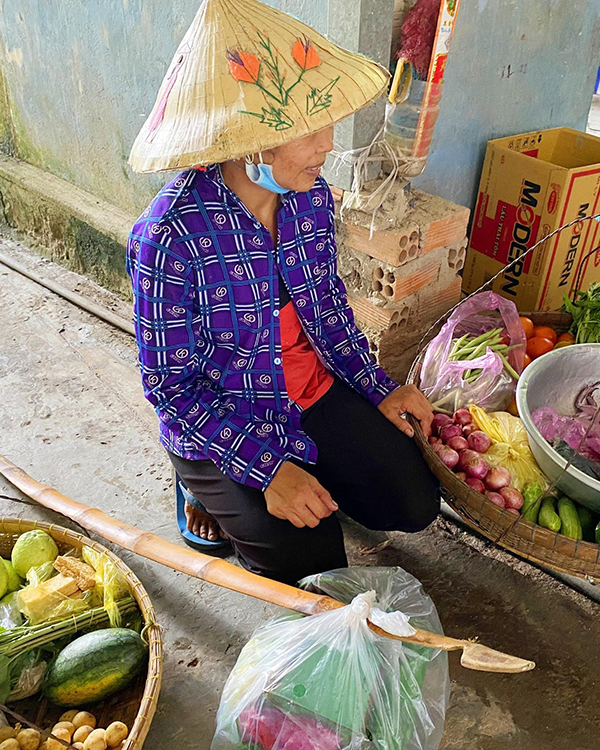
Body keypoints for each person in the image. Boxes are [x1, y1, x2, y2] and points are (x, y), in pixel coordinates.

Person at [125, 0, 440, 585]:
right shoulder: (169, 236)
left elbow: (329, 310)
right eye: (310, 129)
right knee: (310, 566)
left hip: (311, 394)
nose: (327, 144)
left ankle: (310, 481)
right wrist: (268, 470)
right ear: (251, 143)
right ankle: (201, 487)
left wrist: (379, 389)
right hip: (228, 417)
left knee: (415, 505)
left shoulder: (309, 198)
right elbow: (170, 387)